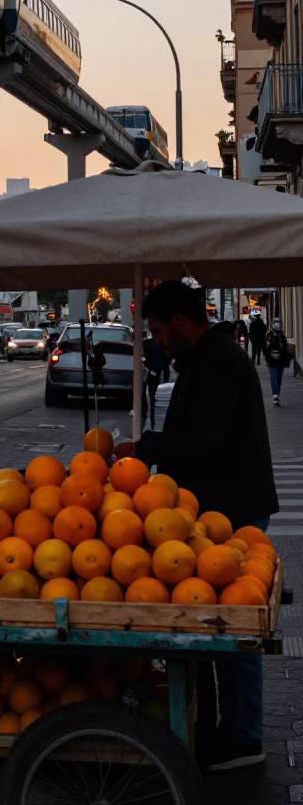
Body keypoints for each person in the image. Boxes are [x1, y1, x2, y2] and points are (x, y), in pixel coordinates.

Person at [115, 280, 278, 771]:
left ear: (182, 323)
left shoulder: (217, 363)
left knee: (235, 628)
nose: (159, 340)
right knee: (218, 628)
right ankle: (215, 728)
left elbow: (203, 443)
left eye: (161, 331)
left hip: (231, 511)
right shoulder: (205, 359)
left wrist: (144, 450)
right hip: (214, 510)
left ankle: (244, 739)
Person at [142, 331, 170, 430]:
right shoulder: (159, 344)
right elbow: (166, 361)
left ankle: (150, 418)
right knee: (153, 398)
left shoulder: (147, 343)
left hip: (149, 372)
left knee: (149, 396)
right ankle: (152, 419)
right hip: (154, 372)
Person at [264, 316, 289, 405]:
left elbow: (285, 347)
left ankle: (277, 393)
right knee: (274, 377)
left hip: (280, 360)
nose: (278, 325)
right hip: (272, 360)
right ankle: (275, 395)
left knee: (279, 378)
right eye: (276, 323)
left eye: (279, 323)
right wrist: (268, 360)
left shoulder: (282, 335)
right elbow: (266, 348)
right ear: (273, 324)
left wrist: (286, 359)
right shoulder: (269, 334)